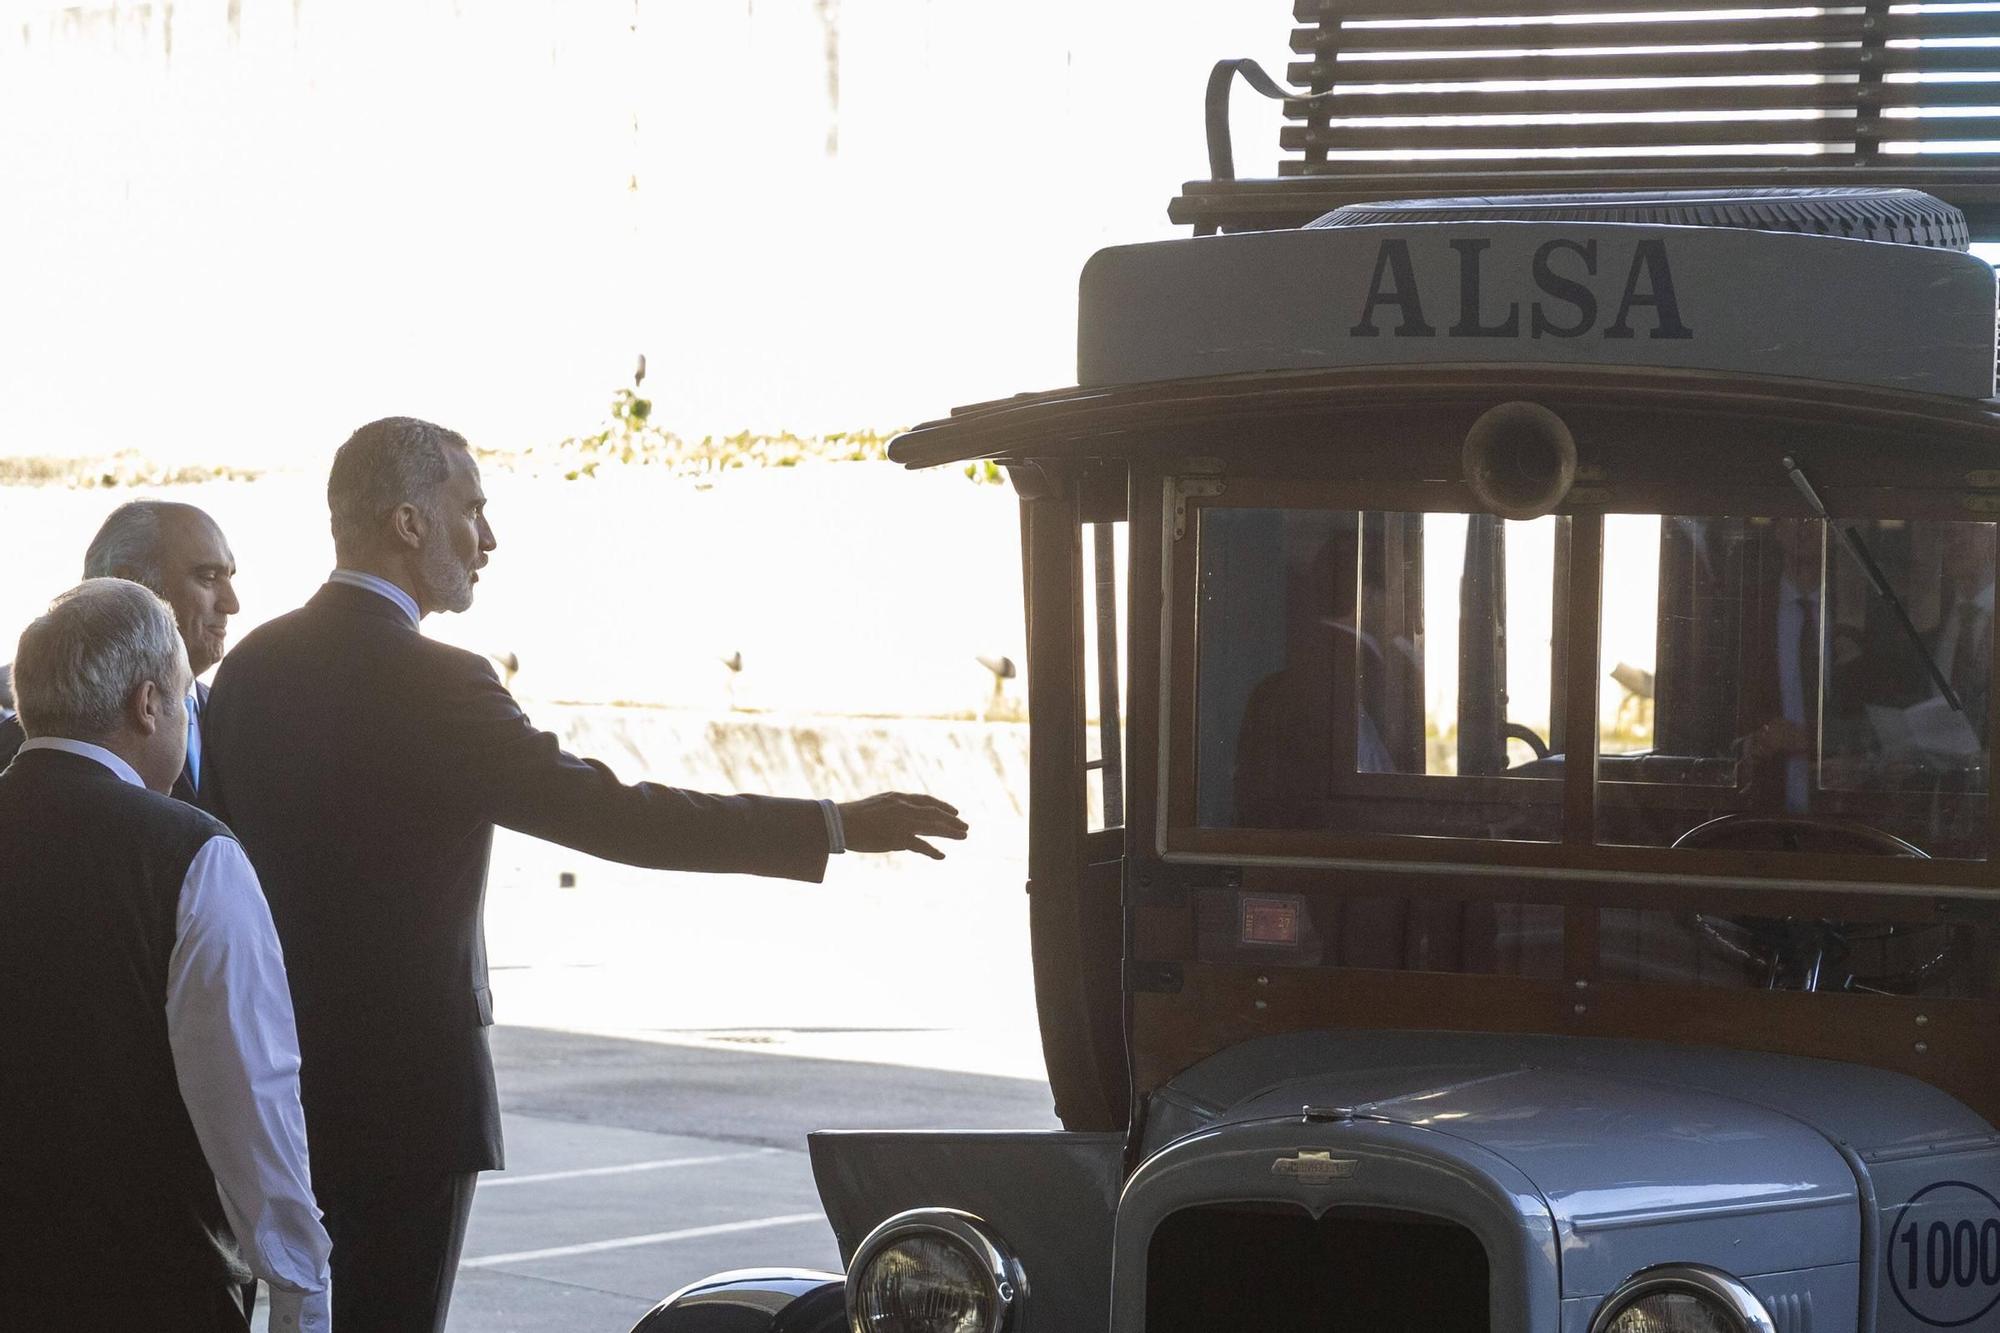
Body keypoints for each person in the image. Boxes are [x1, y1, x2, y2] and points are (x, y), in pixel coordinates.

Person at [205, 416, 968, 1333]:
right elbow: (612, 814)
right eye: (472, 510)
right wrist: (830, 824)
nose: (487, 539)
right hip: (409, 1099)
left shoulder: (250, 669)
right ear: (409, 522)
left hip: (268, 1073)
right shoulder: (438, 681)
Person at [0, 580, 329, 1332]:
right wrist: (302, 1294)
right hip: (146, 1283)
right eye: (184, 695)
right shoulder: (192, 856)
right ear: (148, 703)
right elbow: (252, 1102)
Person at [0, 500, 240, 801]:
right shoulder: (22, 752)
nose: (231, 604)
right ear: (126, 583)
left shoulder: (242, 721)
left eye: (229, 577)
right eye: (207, 577)